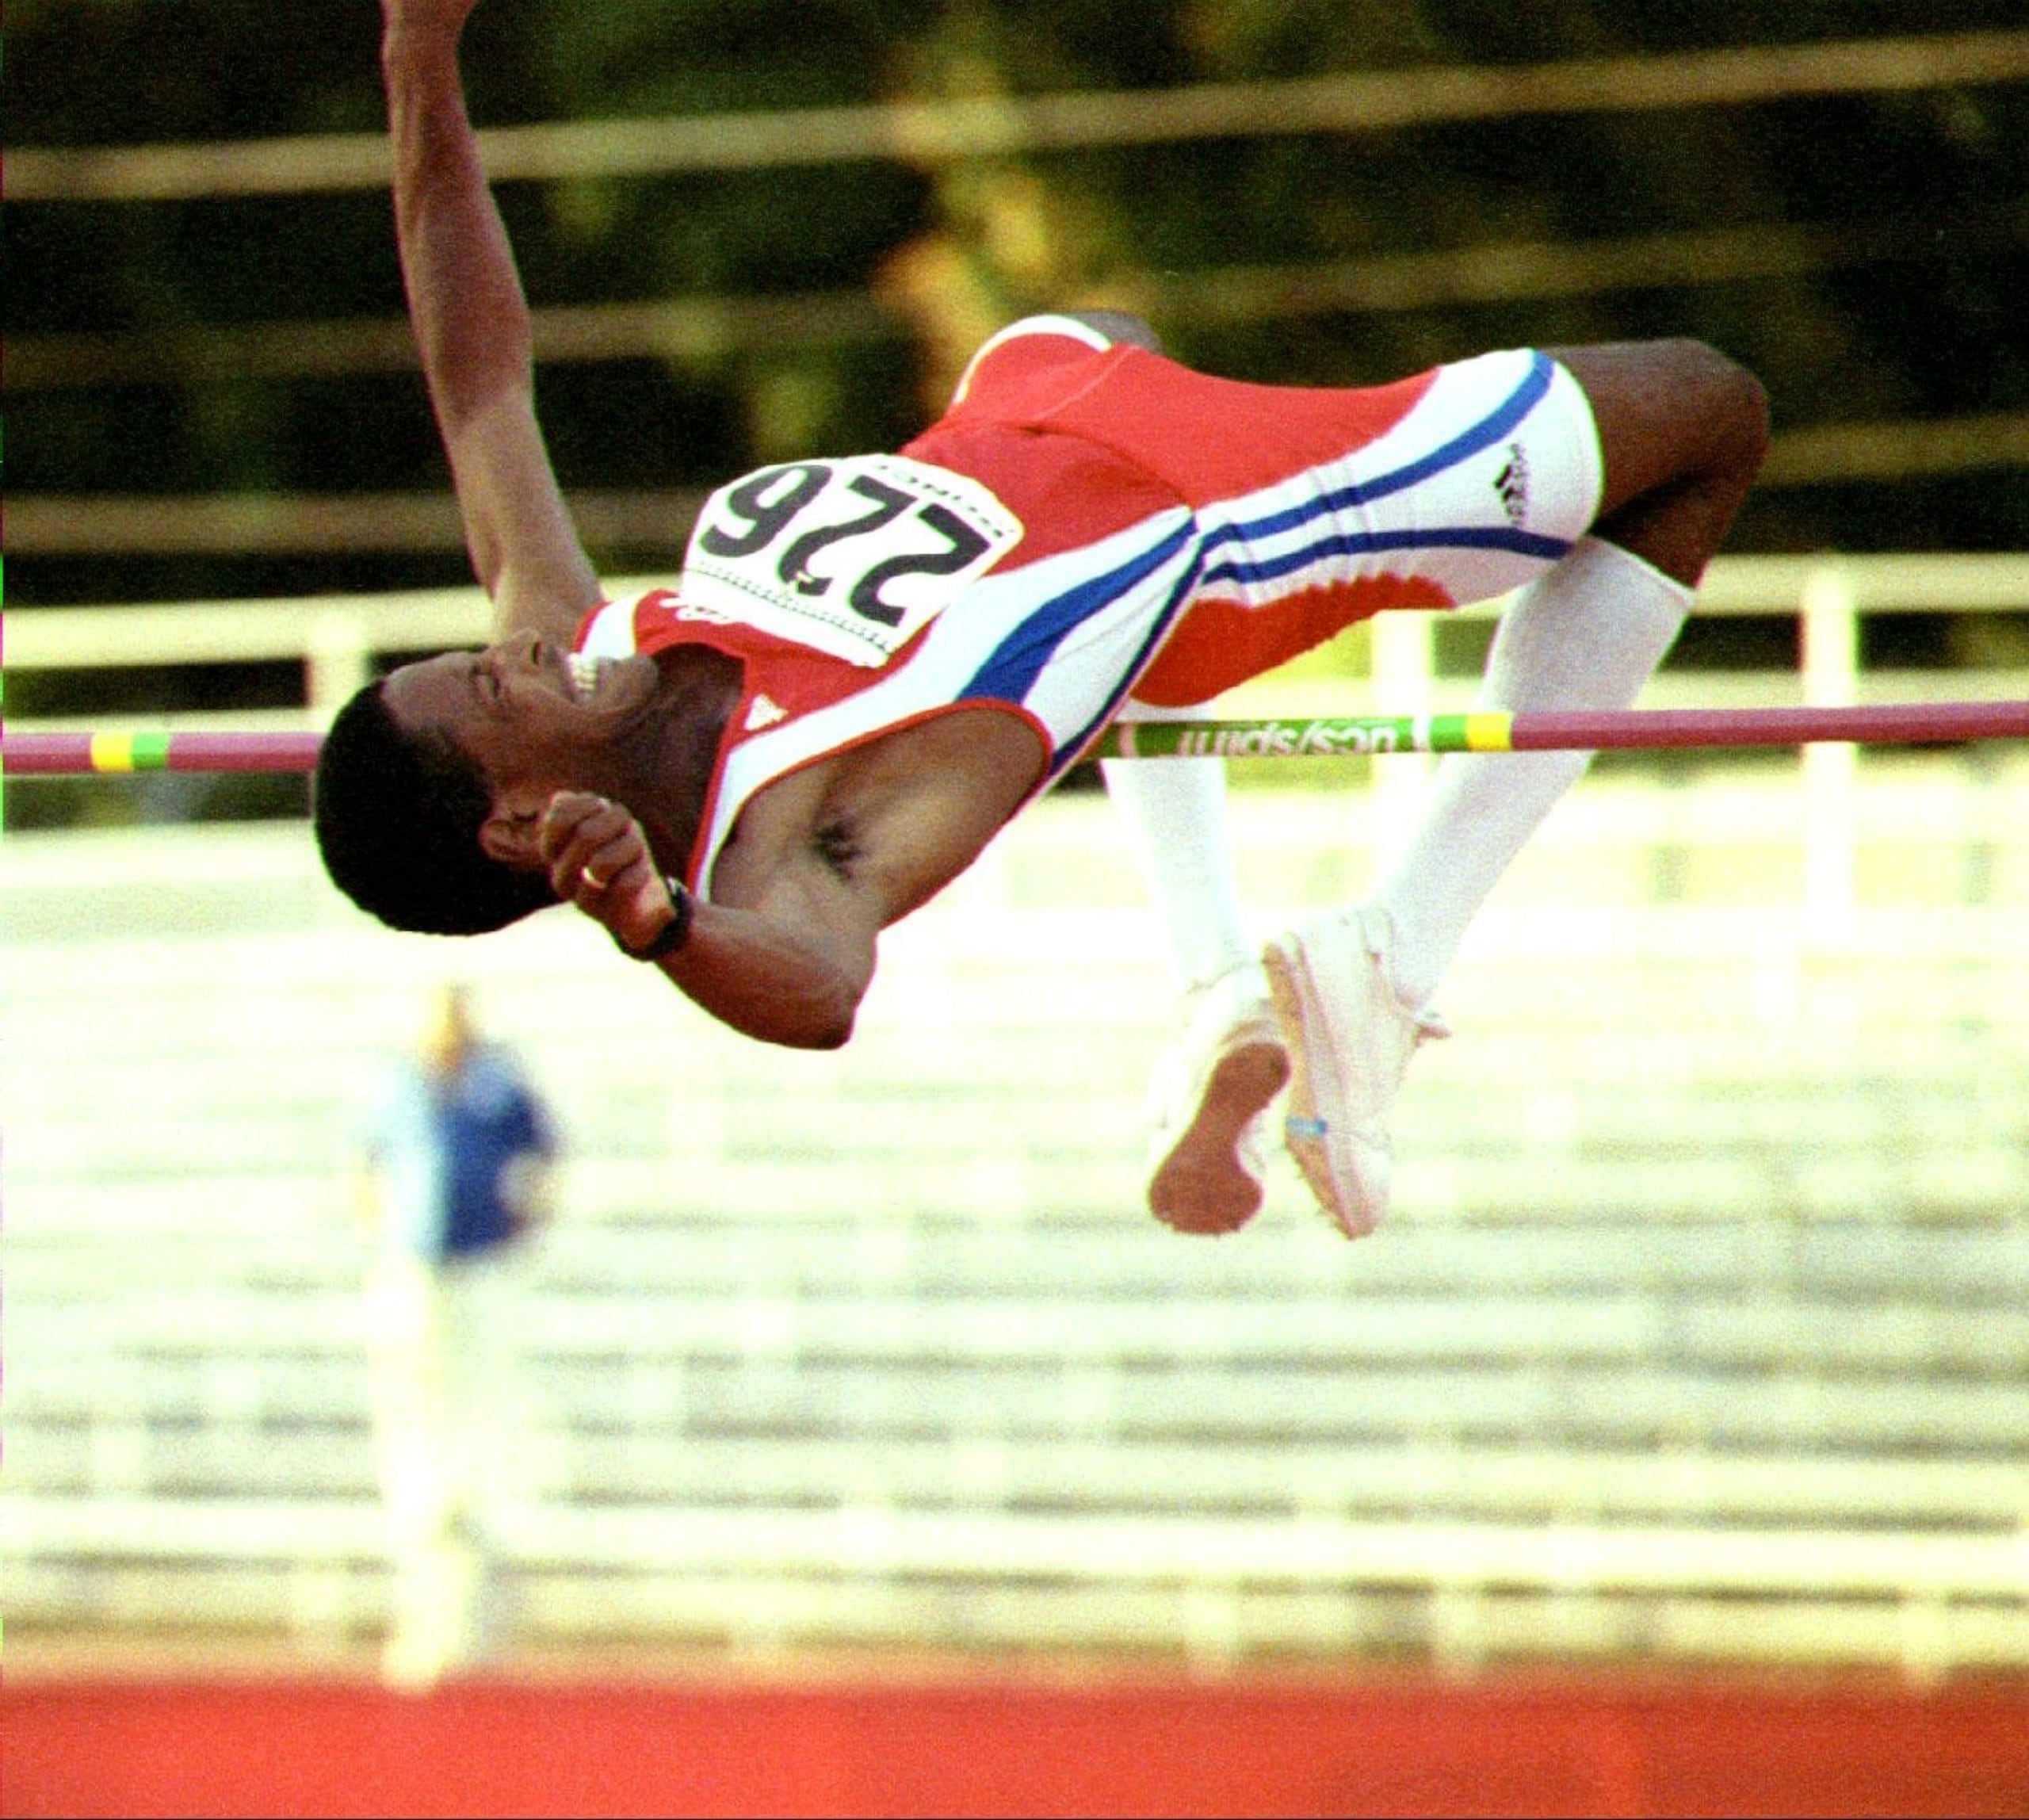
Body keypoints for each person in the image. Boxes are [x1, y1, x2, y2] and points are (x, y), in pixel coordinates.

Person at [316, 0, 1769, 1242]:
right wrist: (657, 919)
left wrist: (417, 54)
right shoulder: (786, 837)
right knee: (1705, 413)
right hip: (1244, 509)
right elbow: (820, 992)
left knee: (1087, 334)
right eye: (489, 689)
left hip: (1036, 403)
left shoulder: (587, 632)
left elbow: (479, 379)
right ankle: (1397, 949)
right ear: (522, 822)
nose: (512, 647)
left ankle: (1218, 986)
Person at [359, 980, 557, 1688]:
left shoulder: (497, 1085)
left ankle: (481, 1628)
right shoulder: (399, 1086)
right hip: (416, 1270)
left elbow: (545, 1157)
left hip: (481, 1269)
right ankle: (421, 1623)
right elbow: (367, 1166)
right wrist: (384, 1236)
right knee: (416, 1438)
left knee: (483, 1434)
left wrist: (526, 1223)